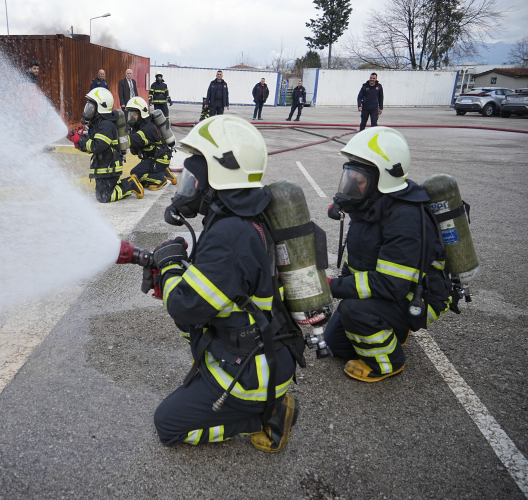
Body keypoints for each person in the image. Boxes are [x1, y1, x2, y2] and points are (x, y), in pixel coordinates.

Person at [152, 115, 304, 453]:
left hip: (252, 373)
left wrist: (169, 267)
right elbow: (216, 284)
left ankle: (266, 415)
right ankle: (236, 394)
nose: (188, 187)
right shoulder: (242, 214)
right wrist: (174, 270)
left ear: (219, 178)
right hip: (262, 348)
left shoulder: (229, 235)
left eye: (195, 178)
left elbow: (184, 305)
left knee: (168, 426)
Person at [323, 126, 451, 381]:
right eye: (349, 177)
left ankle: (388, 363)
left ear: (381, 179)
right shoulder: (372, 204)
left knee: (353, 310)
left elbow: (390, 284)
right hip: (392, 292)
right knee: (336, 345)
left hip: (418, 298)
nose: (350, 186)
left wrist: (330, 287)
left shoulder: (405, 220)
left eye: (357, 181)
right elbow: (360, 259)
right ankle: (393, 329)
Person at [67, 88, 144, 203]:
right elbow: (92, 145)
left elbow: (97, 146)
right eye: (88, 106)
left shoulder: (106, 125)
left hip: (110, 167)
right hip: (103, 166)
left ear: (100, 107)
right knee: (101, 195)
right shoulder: (98, 124)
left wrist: (80, 140)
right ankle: (120, 185)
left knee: (105, 197)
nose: (88, 109)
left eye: (91, 107)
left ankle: (130, 184)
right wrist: (78, 142)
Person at [125, 97, 178, 191]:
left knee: (135, 173)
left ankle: (160, 179)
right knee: (140, 180)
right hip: (153, 157)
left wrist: (117, 139)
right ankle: (163, 171)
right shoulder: (140, 125)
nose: (131, 117)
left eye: (134, 114)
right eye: (130, 114)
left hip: (160, 158)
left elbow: (135, 139)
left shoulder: (148, 128)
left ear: (142, 114)